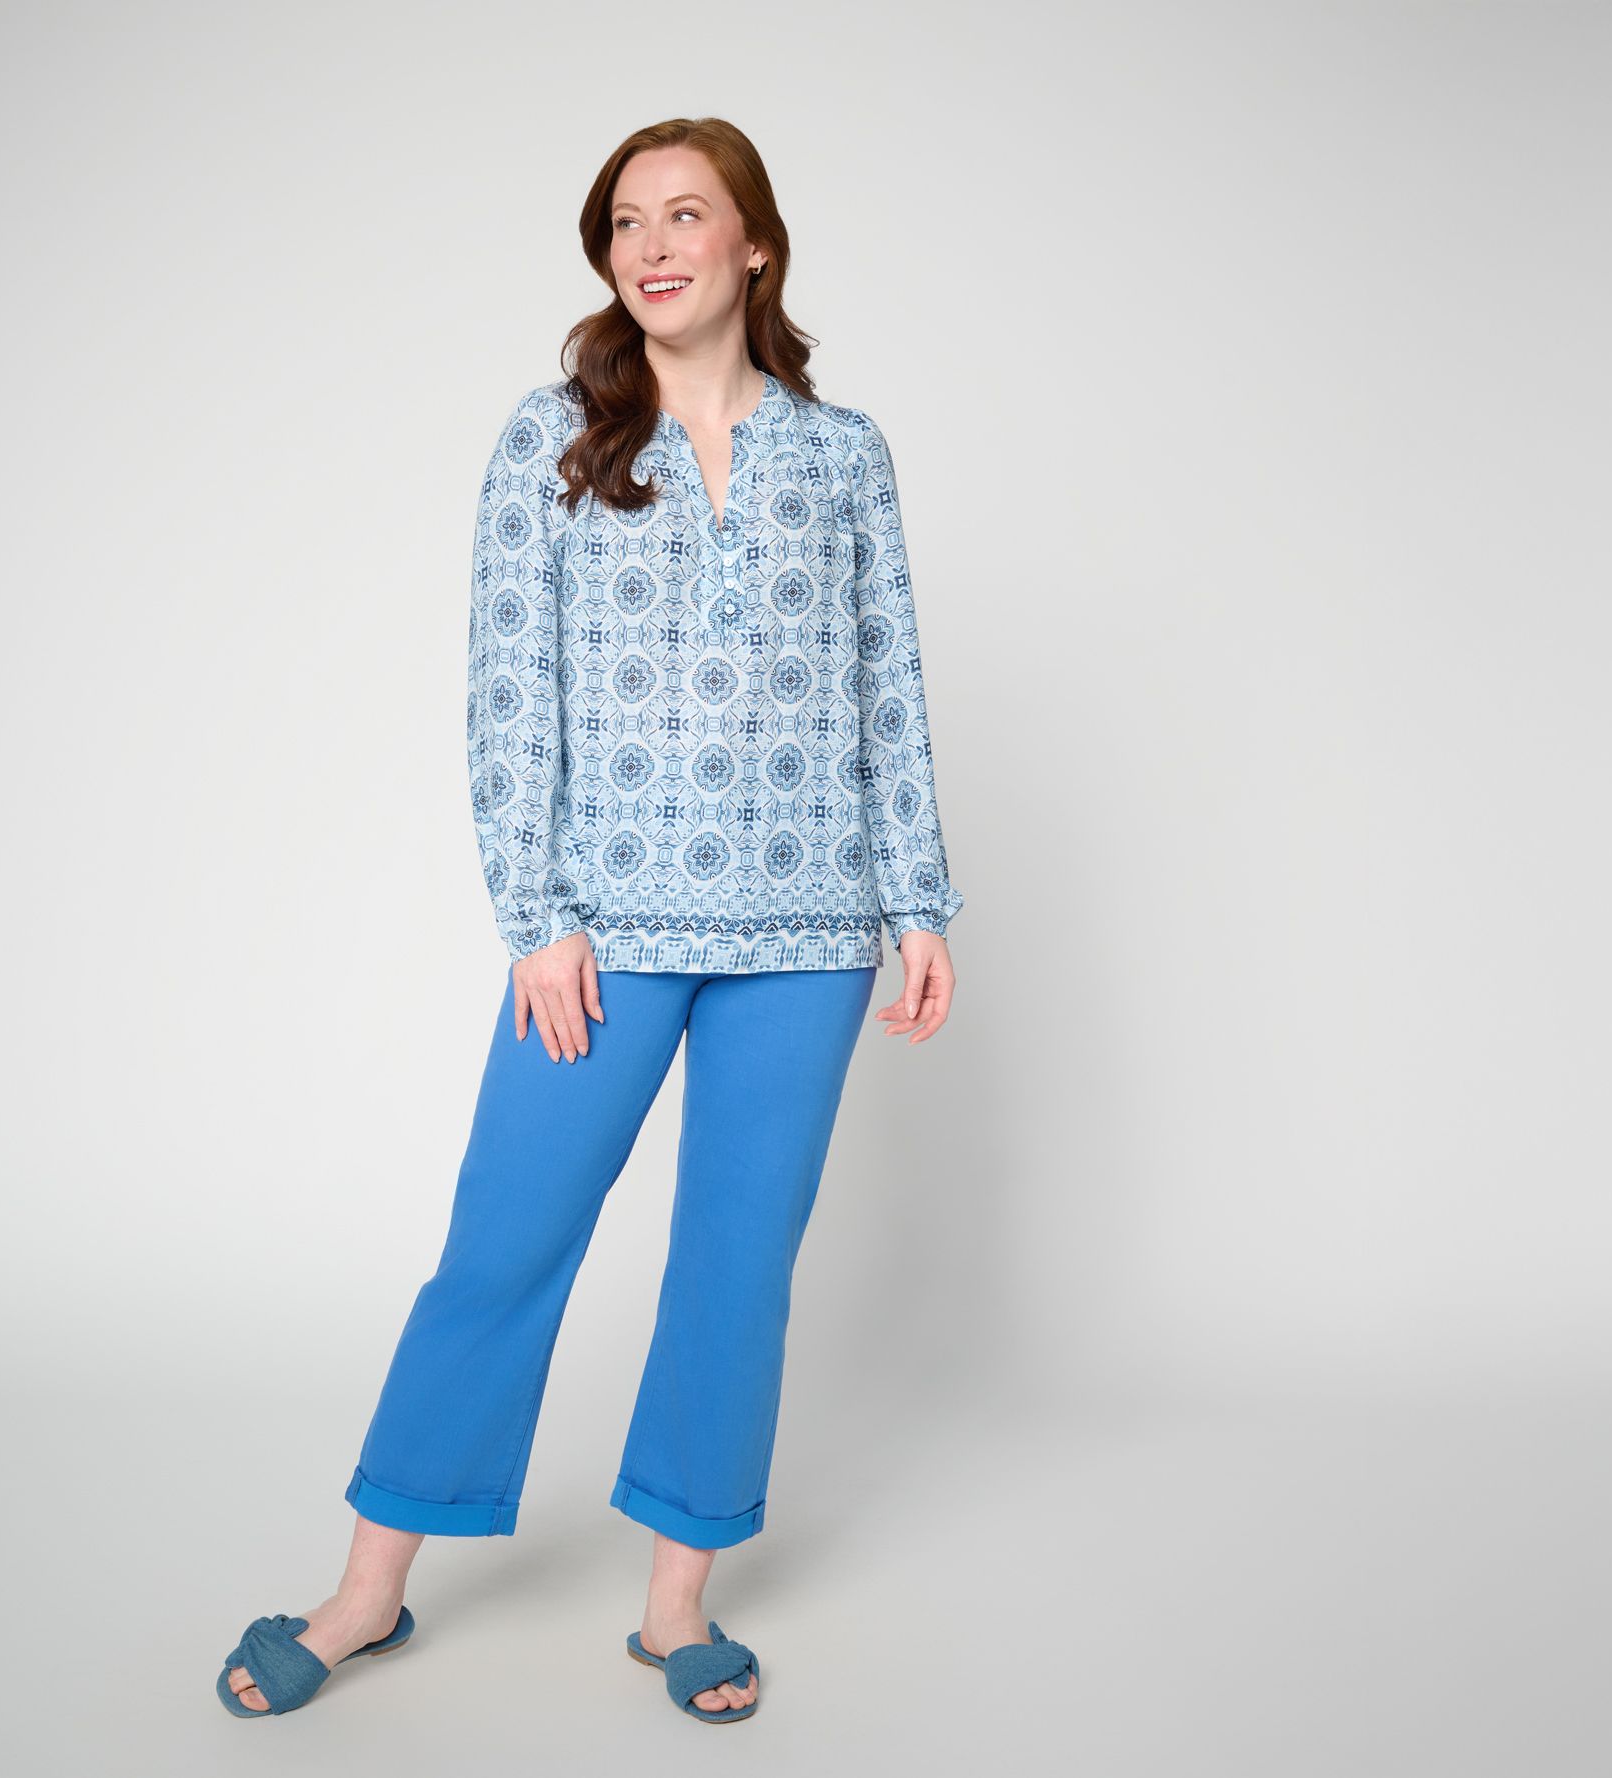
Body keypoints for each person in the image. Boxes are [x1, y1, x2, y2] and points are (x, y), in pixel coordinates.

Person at [214, 115, 963, 1727]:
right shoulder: (550, 439)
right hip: (604, 927)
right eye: (627, 220)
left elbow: (888, 685)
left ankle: (676, 1602)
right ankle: (366, 1592)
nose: (653, 244)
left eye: (687, 214)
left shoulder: (845, 454)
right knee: (504, 1242)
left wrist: (916, 898)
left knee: (736, 1264)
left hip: (809, 929)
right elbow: (509, 688)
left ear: (756, 245)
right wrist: (539, 914)